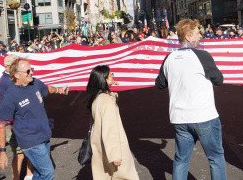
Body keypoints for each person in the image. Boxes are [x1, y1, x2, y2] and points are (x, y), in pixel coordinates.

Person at [155, 19, 226, 180]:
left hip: (180, 118)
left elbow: (159, 84)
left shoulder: (169, 58)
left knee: (181, 160)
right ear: (188, 36)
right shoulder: (202, 56)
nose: (200, 36)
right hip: (204, 116)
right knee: (216, 158)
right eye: (197, 33)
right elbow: (219, 80)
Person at [0, 58, 69, 180]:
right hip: (31, 141)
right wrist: (2, 152)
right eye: (28, 71)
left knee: (40, 173)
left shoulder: (35, 83)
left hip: (44, 137)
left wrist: (59, 90)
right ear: (17, 75)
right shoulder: (11, 95)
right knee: (48, 172)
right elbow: (1, 124)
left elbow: (46, 89)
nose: (32, 73)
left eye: (32, 69)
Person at [86, 65, 139, 179]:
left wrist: (111, 96)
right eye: (110, 75)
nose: (113, 76)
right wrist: (115, 154)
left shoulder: (97, 97)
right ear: (103, 79)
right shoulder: (106, 101)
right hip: (112, 148)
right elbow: (110, 129)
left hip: (101, 145)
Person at [0, 55, 34, 180]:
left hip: (21, 121)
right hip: (13, 123)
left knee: (28, 150)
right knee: (19, 154)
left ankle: (29, 175)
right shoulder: (7, 81)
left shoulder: (9, 79)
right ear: (7, 67)